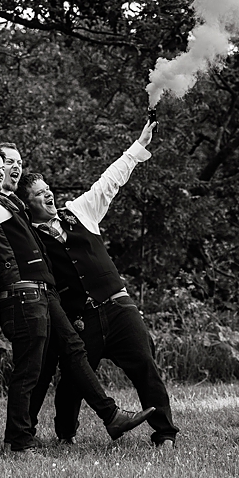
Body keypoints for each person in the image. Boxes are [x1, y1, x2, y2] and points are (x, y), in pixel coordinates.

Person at [0, 97, 153, 454]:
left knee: (74, 352)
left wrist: (137, 149)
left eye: (12, 165)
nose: (6, 170)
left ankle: (110, 416)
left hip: (44, 291)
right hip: (22, 292)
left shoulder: (14, 204)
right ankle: (16, 438)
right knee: (30, 370)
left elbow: (103, 187)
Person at [18, 119, 179, 451]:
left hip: (119, 308)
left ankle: (164, 434)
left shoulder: (79, 211)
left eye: (47, 188)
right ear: (28, 203)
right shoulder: (28, 236)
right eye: (38, 193)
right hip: (81, 319)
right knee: (74, 380)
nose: (47, 193)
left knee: (146, 367)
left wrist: (138, 146)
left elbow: (109, 182)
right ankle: (66, 434)